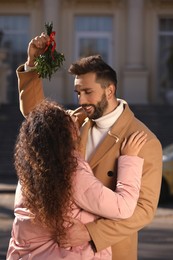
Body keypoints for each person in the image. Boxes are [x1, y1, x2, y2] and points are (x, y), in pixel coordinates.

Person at [16, 33, 163, 260]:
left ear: (110, 90)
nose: (81, 100)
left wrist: (89, 233)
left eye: (88, 92)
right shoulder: (75, 121)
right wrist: (32, 63)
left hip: (111, 250)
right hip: (63, 249)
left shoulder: (143, 140)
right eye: (78, 93)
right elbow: (37, 118)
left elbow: (143, 210)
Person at [7, 99, 146, 260]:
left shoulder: (28, 174)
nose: (74, 118)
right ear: (65, 135)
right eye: (68, 120)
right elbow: (123, 207)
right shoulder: (72, 174)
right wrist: (129, 158)